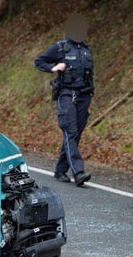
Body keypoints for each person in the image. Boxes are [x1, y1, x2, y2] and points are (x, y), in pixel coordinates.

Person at [34, 13, 94, 186]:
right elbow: (39, 61)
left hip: (84, 96)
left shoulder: (86, 49)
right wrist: (53, 68)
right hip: (66, 95)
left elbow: (90, 76)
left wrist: (90, 95)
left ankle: (60, 170)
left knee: (74, 136)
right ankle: (78, 172)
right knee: (71, 132)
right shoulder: (60, 48)